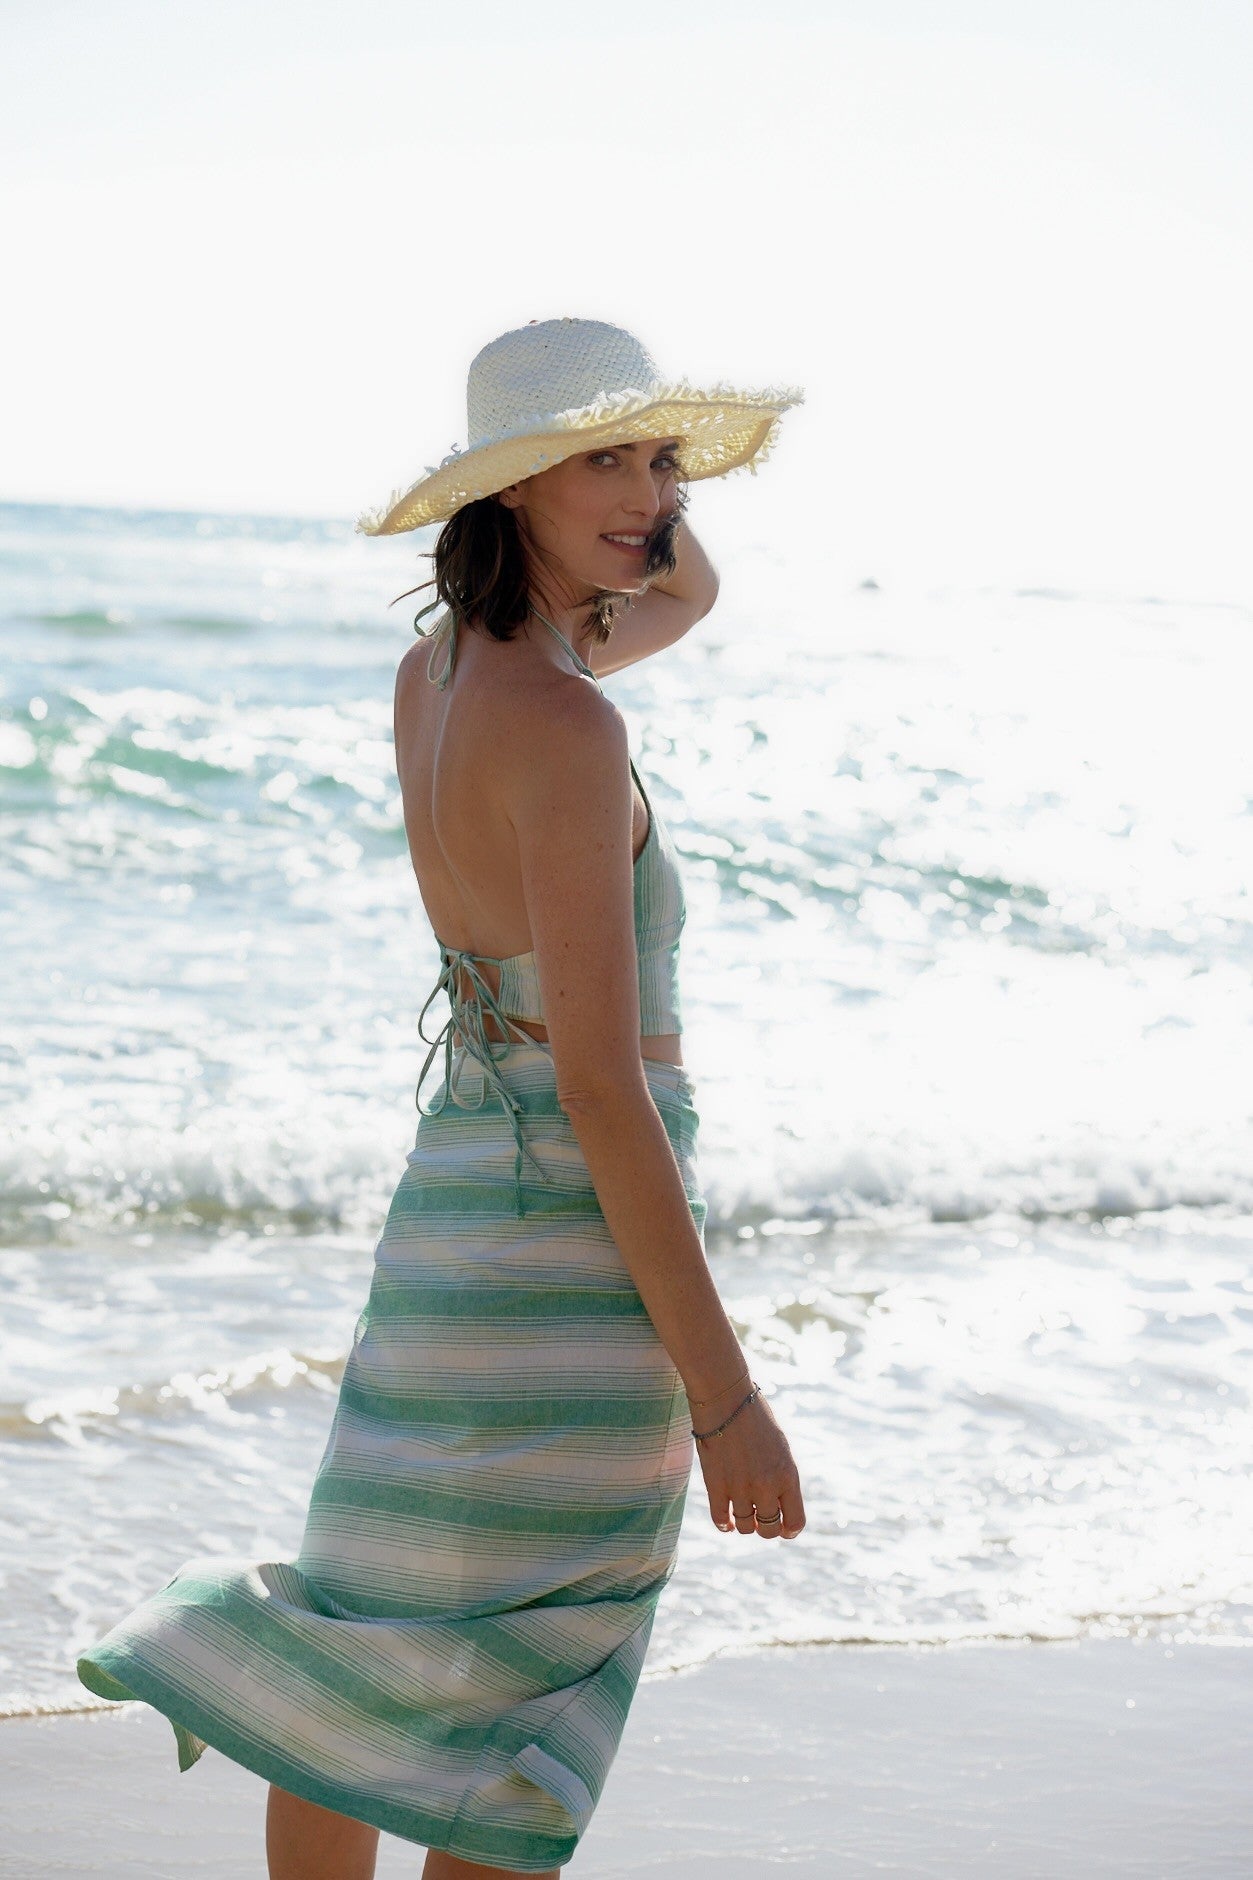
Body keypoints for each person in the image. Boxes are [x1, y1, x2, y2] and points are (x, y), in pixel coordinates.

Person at [77, 316, 807, 1880]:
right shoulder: (569, 716)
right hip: (570, 1264)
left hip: (454, 1222)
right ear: (515, 482)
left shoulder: (446, 676)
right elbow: (601, 1091)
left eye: (661, 461)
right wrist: (726, 1399)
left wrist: (628, 490)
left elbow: (684, 588)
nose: (649, 497)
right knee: (512, 1717)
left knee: (362, 1651)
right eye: (602, 460)